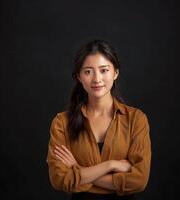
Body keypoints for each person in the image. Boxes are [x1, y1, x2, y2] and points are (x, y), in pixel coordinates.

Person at [46, 39, 151, 200]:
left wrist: (78, 170)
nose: (96, 79)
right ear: (79, 76)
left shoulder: (136, 119)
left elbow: (139, 181)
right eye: (88, 71)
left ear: (115, 72)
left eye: (104, 70)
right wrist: (111, 165)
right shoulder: (62, 123)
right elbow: (59, 180)